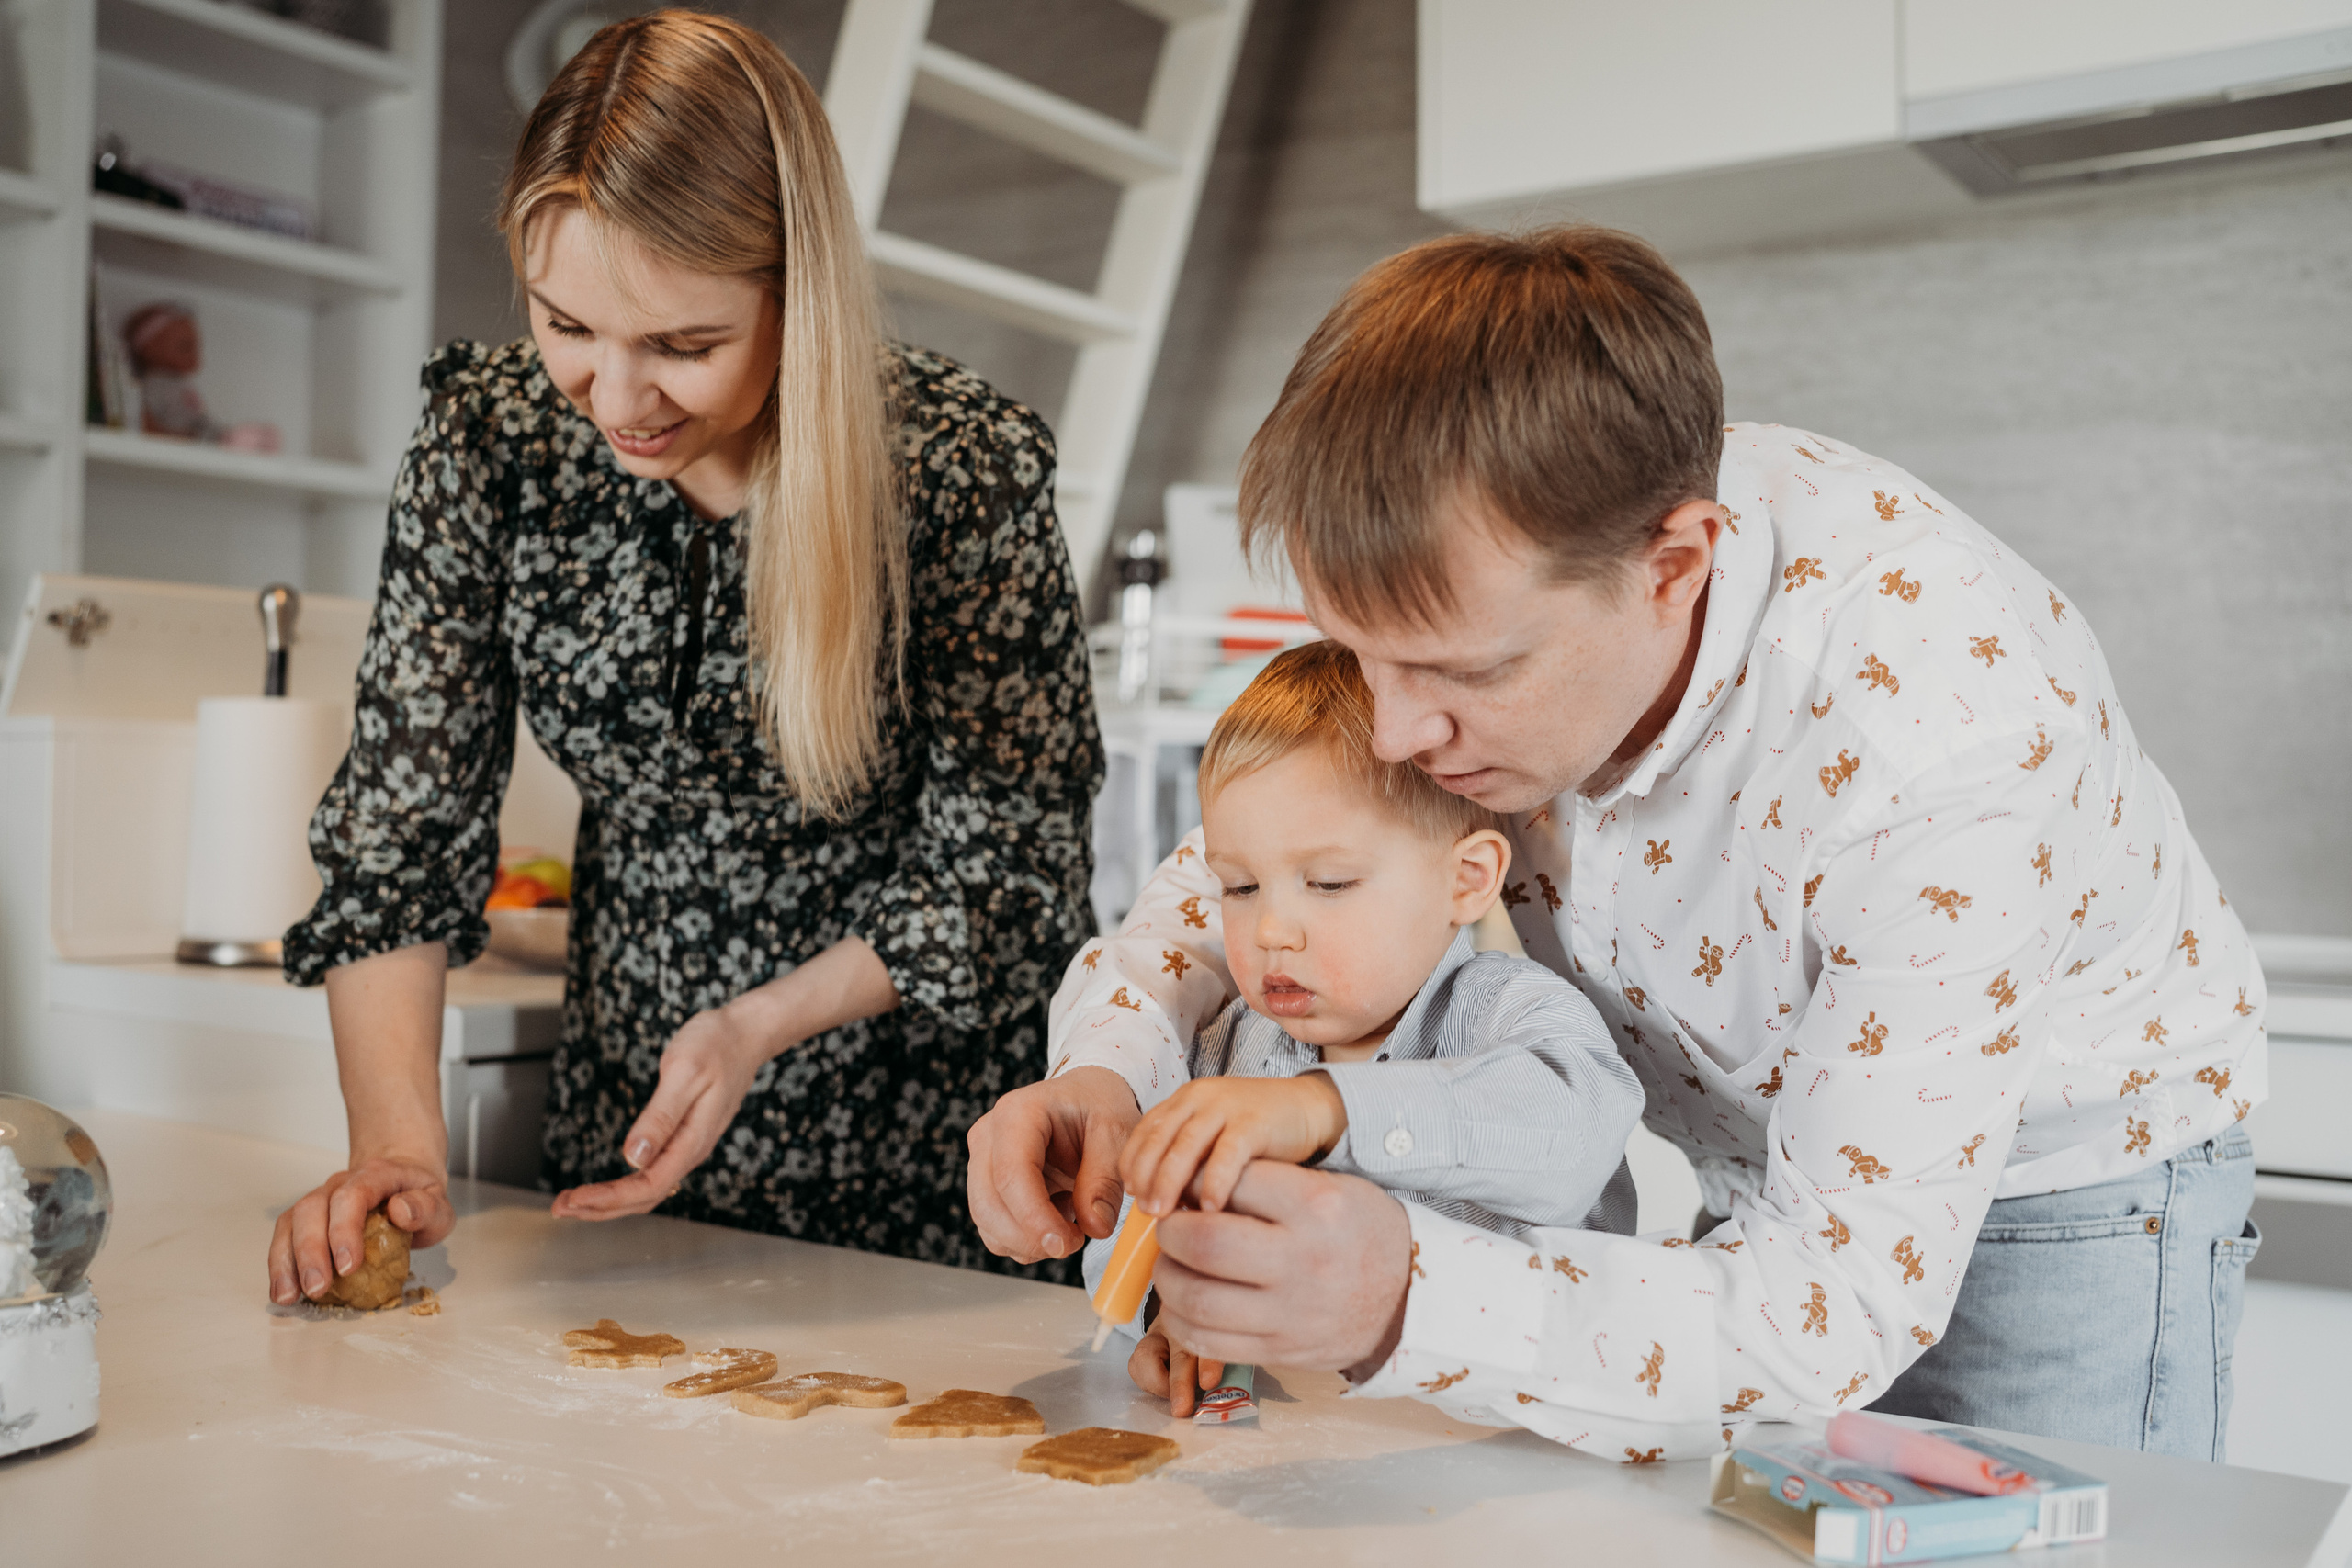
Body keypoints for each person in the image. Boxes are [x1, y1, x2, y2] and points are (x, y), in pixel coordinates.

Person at [970, 226, 2267, 1462]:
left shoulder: (1941, 739)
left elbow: (1832, 1300)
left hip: (2060, 1191)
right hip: (1757, 1180)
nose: (1394, 726)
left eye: (1458, 670)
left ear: (1674, 567)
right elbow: (1227, 884)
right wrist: (1113, 1069)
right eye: (1359, 655)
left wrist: (1404, 1300)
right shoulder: (1491, 598)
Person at [266, 11, 1101, 1307]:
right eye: (567, 325)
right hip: (631, 1130)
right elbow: (402, 829)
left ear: (795, 293)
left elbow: (1014, 862)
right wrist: (394, 1145)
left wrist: (757, 1021)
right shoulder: (492, 442)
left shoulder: (952, 469)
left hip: (940, 1155)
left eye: (683, 346)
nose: (613, 397)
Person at [1085, 641, 1642, 1414]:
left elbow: (1579, 1128)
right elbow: (1129, 1244)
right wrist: (1175, 1310)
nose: (1273, 928)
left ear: (1467, 879)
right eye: (1240, 886)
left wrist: (1325, 1108)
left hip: (1501, 1457)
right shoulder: (1226, 1051)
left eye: (1329, 882)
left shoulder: (1510, 1011)